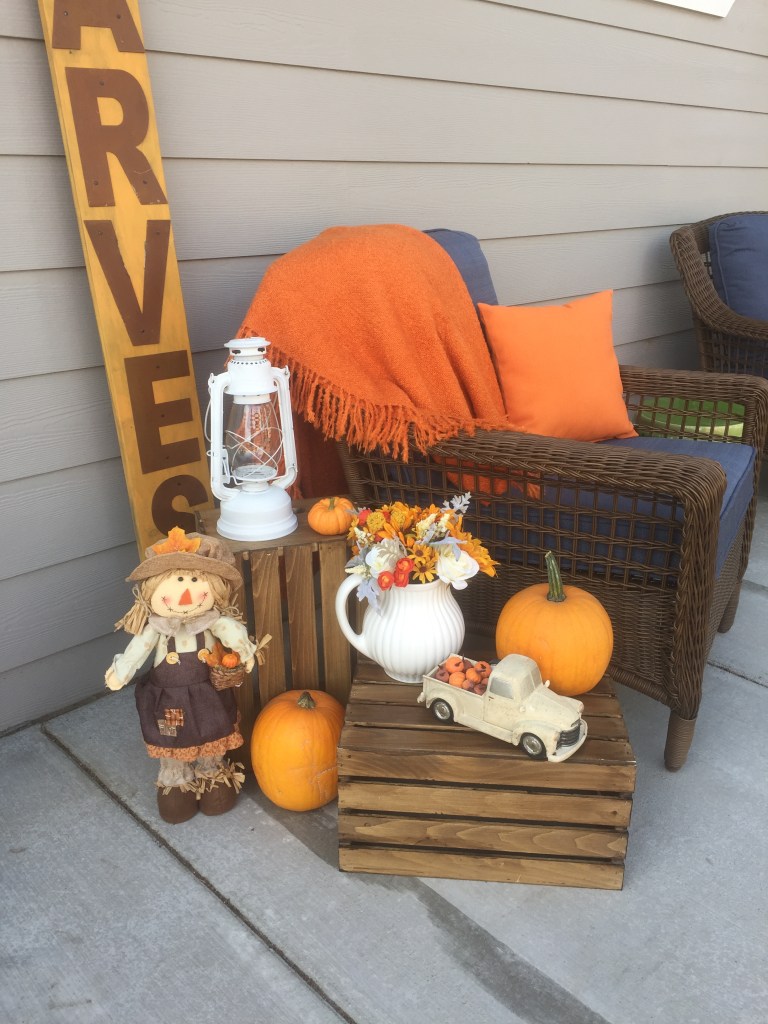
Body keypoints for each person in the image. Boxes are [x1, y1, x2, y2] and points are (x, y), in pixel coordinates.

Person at [106, 527, 258, 823]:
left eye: (195, 581)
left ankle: (212, 775)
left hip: (207, 695)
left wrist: (246, 653)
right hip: (169, 699)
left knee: (213, 731)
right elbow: (138, 649)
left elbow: (233, 632)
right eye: (177, 581)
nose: (186, 594)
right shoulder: (157, 628)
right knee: (172, 738)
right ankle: (176, 783)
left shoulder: (213, 622)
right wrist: (121, 672)